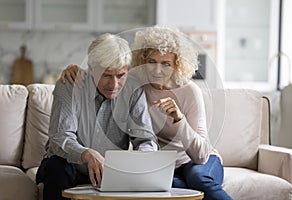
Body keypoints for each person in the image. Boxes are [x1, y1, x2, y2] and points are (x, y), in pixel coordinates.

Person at [62, 26, 232, 200]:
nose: (157, 71)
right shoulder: (136, 86)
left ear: (178, 65)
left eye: (166, 64)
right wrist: (77, 69)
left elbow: (201, 155)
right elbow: (112, 67)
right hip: (162, 164)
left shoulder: (189, 91)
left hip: (195, 160)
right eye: (152, 61)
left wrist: (179, 120)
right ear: (143, 60)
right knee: (166, 187)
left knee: (198, 179)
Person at [36, 33, 158, 200]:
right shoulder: (70, 85)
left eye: (120, 75)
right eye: (106, 75)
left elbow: (145, 139)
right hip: (69, 167)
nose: (114, 85)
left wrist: (141, 157)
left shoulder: (133, 89)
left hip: (111, 173)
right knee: (57, 167)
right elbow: (60, 137)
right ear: (91, 68)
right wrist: (86, 153)